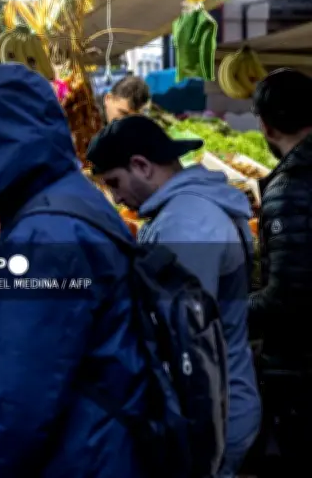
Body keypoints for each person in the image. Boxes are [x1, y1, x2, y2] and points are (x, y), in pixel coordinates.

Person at [0, 64, 149, 478]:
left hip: (80, 454)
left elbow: (18, 405)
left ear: (0, 144)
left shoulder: (43, 235)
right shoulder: (75, 199)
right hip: (109, 440)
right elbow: (66, 333)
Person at [86, 114, 261, 477]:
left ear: (141, 165)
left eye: (115, 183)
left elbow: (178, 337)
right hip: (220, 403)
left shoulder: (187, 222)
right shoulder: (188, 210)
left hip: (210, 416)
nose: (117, 198)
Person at [248, 68, 312, 476]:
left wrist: (222, 311)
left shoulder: (290, 187)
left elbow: (288, 295)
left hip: (300, 368)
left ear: (266, 126)